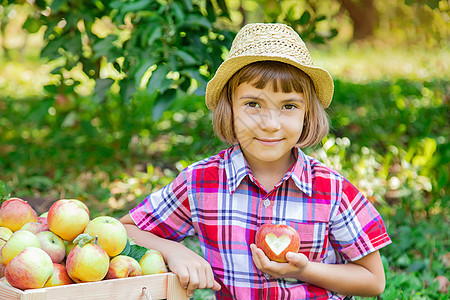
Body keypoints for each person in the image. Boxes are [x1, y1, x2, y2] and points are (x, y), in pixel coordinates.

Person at [120, 23, 391, 299]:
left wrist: (304, 270)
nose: (270, 124)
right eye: (253, 104)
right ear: (230, 108)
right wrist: (174, 250)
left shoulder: (331, 190)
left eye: (288, 106)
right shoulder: (200, 183)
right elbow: (126, 230)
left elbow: (373, 280)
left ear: (307, 113)